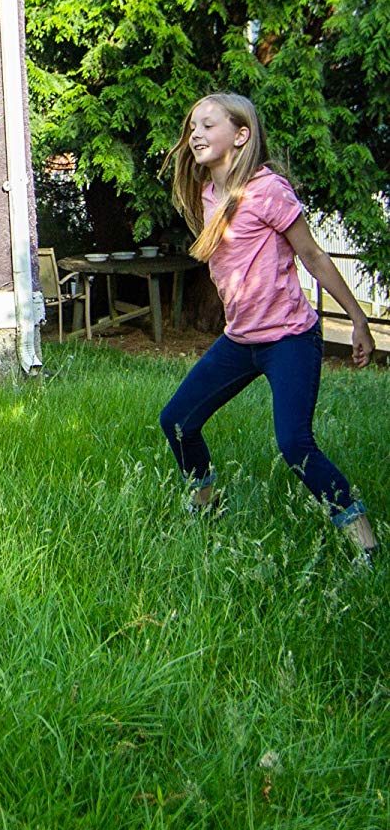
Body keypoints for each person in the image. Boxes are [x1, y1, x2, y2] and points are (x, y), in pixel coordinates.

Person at [160, 92, 378, 565]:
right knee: (177, 422)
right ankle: (205, 504)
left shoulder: (269, 189)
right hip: (239, 342)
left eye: (208, 125)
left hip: (289, 340)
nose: (195, 133)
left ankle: (362, 537)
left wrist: (359, 320)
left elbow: (314, 256)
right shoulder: (208, 193)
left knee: (294, 443)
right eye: (191, 126)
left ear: (241, 135)